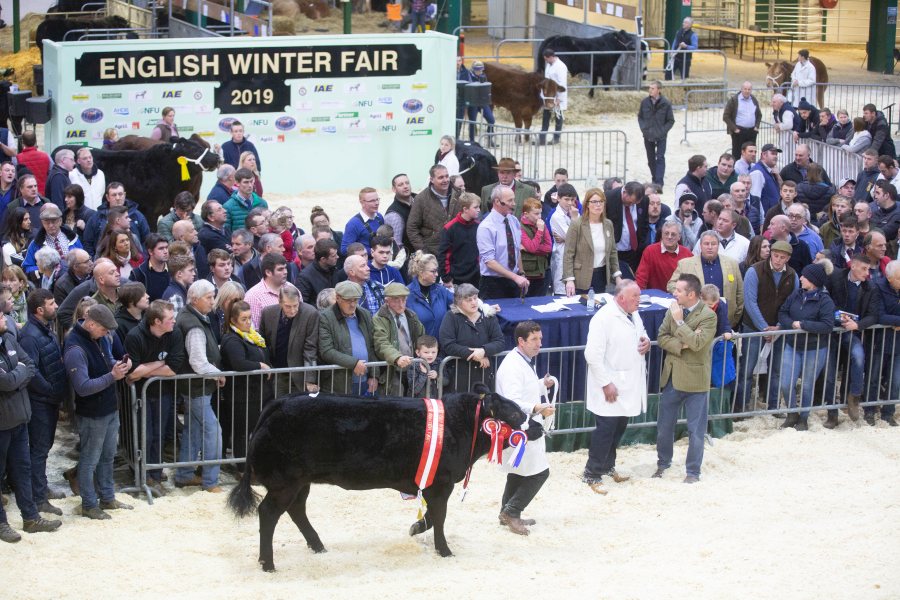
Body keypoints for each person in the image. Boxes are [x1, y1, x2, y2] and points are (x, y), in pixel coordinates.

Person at [64, 304, 133, 520]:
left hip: (110, 407)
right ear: (91, 324)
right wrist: (112, 376)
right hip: (92, 413)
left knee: (108, 456)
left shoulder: (99, 338)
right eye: (104, 329)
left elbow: (106, 362)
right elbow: (83, 387)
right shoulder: (75, 348)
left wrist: (119, 365)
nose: (107, 333)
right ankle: (89, 504)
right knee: (89, 460)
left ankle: (107, 497)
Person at [0, 305, 61, 543]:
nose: (4, 317)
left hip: (20, 419)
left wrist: (15, 376)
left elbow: (30, 366)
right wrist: (18, 376)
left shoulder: (8, 339)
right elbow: (5, 381)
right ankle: (2, 523)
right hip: (2, 423)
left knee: (23, 471)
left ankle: (31, 517)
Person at [582, 280, 649, 494]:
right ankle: (591, 473)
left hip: (628, 383)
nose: (639, 300)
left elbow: (641, 332)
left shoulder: (633, 313)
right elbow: (592, 355)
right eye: (635, 296)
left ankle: (608, 466)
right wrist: (605, 383)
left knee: (619, 427)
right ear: (621, 298)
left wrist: (646, 341)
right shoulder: (603, 318)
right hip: (610, 384)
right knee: (605, 429)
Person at [492, 320, 553, 535]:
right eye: (534, 340)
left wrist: (540, 385)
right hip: (519, 426)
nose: (539, 344)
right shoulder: (512, 365)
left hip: (523, 423)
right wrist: (537, 406)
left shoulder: (523, 360)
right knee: (540, 473)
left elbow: (524, 389)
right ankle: (512, 511)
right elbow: (511, 399)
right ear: (521, 341)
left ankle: (505, 511)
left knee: (517, 472)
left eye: (540, 339)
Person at [654, 274, 716, 483]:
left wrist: (680, 322)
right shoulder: (672, 309)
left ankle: (692, 472)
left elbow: (699, 344)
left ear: (690, 294)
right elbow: (662, 337)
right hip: (672, 378)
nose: (674, 293)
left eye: (679, 290)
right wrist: (682, 345)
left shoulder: (708, 316)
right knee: (664, 427)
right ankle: (663, 463)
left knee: (696, 431)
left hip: (696, 381)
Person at [17, 288, 66, 517]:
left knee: (44, 449)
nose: (56, 306)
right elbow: (31, 371)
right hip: (40, 402)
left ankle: (41, 488)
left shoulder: (44, 329)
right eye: (52, 303)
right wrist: (49, 391)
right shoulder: (29, 335)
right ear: (39, 310)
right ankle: (38, 499)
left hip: (49, 400)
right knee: (38, 450)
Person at [172, 279, 224, 492]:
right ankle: (211, 480)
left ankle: (184, 474)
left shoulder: (191, 317)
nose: (213, 301)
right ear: (195, 299)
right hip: (197, 387)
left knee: (193, 431)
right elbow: (198, 362)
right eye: (209, 297)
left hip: (194, 387)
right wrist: (218, 374)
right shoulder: (193, 324)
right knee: (213, 431)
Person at [737, 240, 798, 413]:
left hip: (779, 328)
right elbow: (750, 302)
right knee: (747, 369)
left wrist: (779, 327)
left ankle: (773, 407)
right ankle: (742, 407)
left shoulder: (793, 276)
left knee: (777, 370)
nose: (778, 260)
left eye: (782, 257)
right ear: (770, 253)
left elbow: (791, 305)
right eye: (775, 255)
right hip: (753, 327)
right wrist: (764, 328)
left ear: (788, 258)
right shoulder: (754, 271)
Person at [822, 254, 882, 428]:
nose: (867, 273)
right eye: (864, 269)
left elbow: (873, 315)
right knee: (830, 374)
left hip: (852, 332)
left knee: (858, 356)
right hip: (831, 331)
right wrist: (837, 319)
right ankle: (831, 414)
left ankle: (854, 397)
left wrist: (857, 325)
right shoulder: (835, 277)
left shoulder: (870, 287)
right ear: (853, 266)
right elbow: (826, 301)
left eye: (869, 269)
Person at [777, 263, 835, 430]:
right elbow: (783, 312)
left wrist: (803, 324)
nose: (801, 278)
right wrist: (791, 324)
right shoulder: (796, 294)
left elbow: (827, 325)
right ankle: (792, 412)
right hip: (793, 345)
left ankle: (803, 417)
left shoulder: (825, 300)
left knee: (808, 384)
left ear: (814, 281)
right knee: (786, 383)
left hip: (815, 348)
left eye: (805, 276)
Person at [220, 300, 271, 462]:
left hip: (257, 391)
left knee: (255, 429)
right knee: (242, 431)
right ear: (233, 321)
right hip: (241, 393)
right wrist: (260, 365)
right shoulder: (232, 339)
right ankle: (242, 467)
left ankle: (253, 463)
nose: (248, 322)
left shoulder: (253, 336)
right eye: (244, 319)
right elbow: (239, 363)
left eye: (250, 318)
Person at [668, 231, 744, 329]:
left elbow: (740, 293)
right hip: (695, 323)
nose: (710, 247)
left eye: (713, 244)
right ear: (700, 245)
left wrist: (734, 319)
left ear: (718, 245)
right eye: (706, 244)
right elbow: (671, 284)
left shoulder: (732, 264)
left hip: (725, 323)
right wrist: (686, 293)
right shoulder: (685, 264)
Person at [439, 283, 504, 392]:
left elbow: (500, 342)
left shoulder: (488, 316)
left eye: (475, 298)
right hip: (459, 376)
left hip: (484, 375)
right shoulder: (451, 317)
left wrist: (484, 351)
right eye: (469, 300)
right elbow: (448, 344)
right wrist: (474, 355)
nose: (474, 302)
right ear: (459, 302)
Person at [318, 281, 379, 396]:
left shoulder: (365, 314)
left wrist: (374, 375)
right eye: (348, 300)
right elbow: (326, 351)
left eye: (355, 300)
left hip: (364, 381)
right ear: (338, 298)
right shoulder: (325, 317)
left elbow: (372, 347)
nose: (352, 305)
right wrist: (353, 363)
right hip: (338, 383)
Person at [258, 283, 319, 396]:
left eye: (295, 305)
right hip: (276, 373)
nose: (292, 310)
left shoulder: (310, 313)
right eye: (288, 306)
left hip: (299, 375)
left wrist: (310, 379)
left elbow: (310, 349)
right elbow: (262, 343)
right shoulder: (268, 313)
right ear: (280, 302)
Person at [562, 187, 620, 296]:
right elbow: (568, 254)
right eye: (594, 201)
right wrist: (569, 279)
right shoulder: (577, 224)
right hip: (580, 277)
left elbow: (612, 252)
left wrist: (617, 276)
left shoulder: (608, 224)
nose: (598, 205)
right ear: (587, 204)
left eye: (601, 201)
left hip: (601, 276)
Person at [373, 282, 425, 395]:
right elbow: (381, 343)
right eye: (396, 300)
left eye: (404, 300)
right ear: (387, 301)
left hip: (412, 368)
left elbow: (421, 337)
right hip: (392, 370)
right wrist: (397, 358)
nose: (401, 304)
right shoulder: (379, 319)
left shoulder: (411, 315)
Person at [477, 185, 529, 300]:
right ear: (497, 202)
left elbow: (516, 249)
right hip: (493, 284)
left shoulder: (513, 220)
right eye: (510, 200)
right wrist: (515, 278)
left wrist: (521, 273)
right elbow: (489, 262)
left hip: (513, 281)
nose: (514, 204)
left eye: (513, 199)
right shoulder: (486, 227)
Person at [81, 182, 151, 259]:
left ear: (124, 195)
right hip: (105, 263)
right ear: (107, 197)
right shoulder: (96, 218)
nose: (118, 198)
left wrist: (143, 261)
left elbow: (147, 240)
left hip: (135, 262)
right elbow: (88, 243)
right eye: (114, 195)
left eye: (120, 194)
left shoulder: (137, 216)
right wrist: (95, 264)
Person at [872, 260, 900, 426]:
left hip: (898, 343)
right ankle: (869, 411)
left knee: (896, 380)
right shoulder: (878, 288)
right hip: (880, 341)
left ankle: (888, 413)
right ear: (890, 279)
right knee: (873, 378)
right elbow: (879, 316)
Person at [406, 251, 453, 338]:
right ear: (421, 272)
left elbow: (459, 303)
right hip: (421, 348)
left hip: (442, 347)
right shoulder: (407, 294)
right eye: (433, 271)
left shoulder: (441, 290)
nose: (437, 274)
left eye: (436, 271)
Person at [438, 192, 481, 287]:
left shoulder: (479, 226)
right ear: (465, 209)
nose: (479, 210)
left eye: (479, 207)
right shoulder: (450, 228)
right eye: (475, 207)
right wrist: (446, 278)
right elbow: (443, 255)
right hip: (456, 278)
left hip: (476, 276)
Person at [408, 164, 452, 256]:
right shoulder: (421, 199)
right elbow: (412, 228)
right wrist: (424, 252)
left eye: (447, 176)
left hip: (457, 252)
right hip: (434, 253)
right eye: (440, 177)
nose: (445, 180)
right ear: (431, 180)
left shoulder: (458, 195)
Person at [635, 220, 692, 291]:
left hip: (679, 296)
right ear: (662, 235)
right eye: (666, 233)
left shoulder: (687, 254)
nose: (669, 237)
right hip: (655, 297)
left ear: (679, 237)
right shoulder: (650, 251)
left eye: (673, 234)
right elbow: (641, 278)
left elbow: (692, 281)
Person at [637, 80, 675, 186]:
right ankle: (654, 178)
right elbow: (640, 117)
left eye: (652, 88)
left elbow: (671, 120)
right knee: (651, 159)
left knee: (660, 158)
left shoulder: (666, 103)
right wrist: (644, 129)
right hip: (648, 134)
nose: (650, 90)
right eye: (649, 88)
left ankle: (659, 183)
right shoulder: (644, 102)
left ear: (659, 90)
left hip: (661, 136)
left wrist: (663, 131)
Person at [520, 197, 552, 296]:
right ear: (526, 214)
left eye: (540, 213)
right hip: (529, 273)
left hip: (542, 271)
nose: (539, 216)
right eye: (536, 214)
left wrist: (526, 248)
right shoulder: (520, 227)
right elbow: (532, 247)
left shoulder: (542, 224)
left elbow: (549, 248)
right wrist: (540, 231)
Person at [536, 48, 568, 146]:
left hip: (557, 94)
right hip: (548, 95)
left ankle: (556, 138)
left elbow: (562, 83)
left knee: (558, 116)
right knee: (546, 115)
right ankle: (542, 138)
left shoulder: (561, 66)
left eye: (546, 59)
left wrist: (559, 99)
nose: (545, 61)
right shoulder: (549, 65)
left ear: (551, 57)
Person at [341, 187, 385, 255]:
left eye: (377, 199)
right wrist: (371, 252)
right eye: (372, 201)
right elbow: (344, 249)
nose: (377, 203)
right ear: (362, 202)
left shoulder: (379, 217)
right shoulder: (353, 224)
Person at [723, 82, 762, 158]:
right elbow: (726, 116)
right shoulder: (734, 100)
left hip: (752, 131)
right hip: (739, 132)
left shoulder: (754, 100)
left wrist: (756, 126)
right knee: (737, 153)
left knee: (751, 154)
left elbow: (759, 115)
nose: (747, 91)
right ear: (741, 89)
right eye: (745, 89)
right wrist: (735, 129)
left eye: (749, 89)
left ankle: (750, 169)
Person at [223, 168, 267, 234]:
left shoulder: (262, 203)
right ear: (237, 183)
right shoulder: (228, 207)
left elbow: (267, 227)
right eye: (246, 182)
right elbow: (227, 232)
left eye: (251, 181)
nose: (250, 185)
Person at [296, 238, 338, 305]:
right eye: (333, 256)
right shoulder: (305, 277)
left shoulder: (333, 269)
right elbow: (303, 304)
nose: (337, 257)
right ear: (323, 259)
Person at [466, 61, 497, 145]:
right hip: (473, 103)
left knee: (491, 120)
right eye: (477, 70)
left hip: (482, 102)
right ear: (473, 69)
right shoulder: (468, 76)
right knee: (472, 122)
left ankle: (490, 139)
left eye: (481, 70)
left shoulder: (483, 76)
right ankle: (472, 141)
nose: (479, 72)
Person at [68, 147, 106, 211]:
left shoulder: (100, 174)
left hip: (97, 213)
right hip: (80, 214)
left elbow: (101, 193)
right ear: (78, 161)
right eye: (85, 158)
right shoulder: (72, 175)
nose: (89, 160)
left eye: (90, 157)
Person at [45, 149, 76, 213]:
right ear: (63, 160)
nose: (74, 163)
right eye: (72, 159)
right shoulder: (58, 176)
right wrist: (62, 219)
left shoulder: (60, 174)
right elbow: (58, 202)